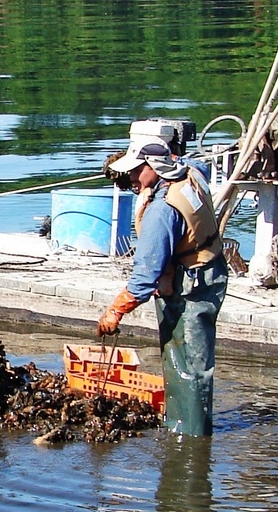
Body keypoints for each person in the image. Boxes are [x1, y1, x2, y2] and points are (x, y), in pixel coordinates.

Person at [97, 132, 228, 436]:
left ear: (154, 165)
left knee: (187, 365)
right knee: (198, 359)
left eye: (135, 171)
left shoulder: (161, 210)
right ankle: (189, 424)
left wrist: (115, 311)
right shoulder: (190, 172)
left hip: (191, 287)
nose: (132, 178)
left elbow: (144, 278)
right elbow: (188, 164)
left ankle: (187, 436)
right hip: (212, 270)